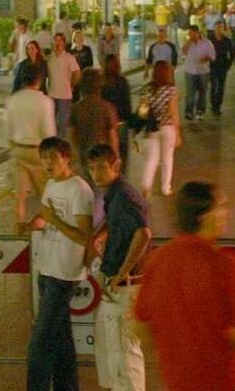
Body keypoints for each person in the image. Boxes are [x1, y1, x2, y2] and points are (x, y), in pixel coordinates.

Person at [135, 182, 235, 391]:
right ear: (205, 217)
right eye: (221, 207)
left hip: (177, 381)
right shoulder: (224, 266)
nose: (228, 214)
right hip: (221, 381)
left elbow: (141, 324)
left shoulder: (157, 260)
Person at [26, 137, 94, 391]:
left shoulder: (80, 190)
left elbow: (84, 236)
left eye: (52, 157)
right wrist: (33, 223)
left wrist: (53, 219)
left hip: (64, 273)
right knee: (61, 338)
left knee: (41, 339)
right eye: (43, 158)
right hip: (46, 267)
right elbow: (44, 217)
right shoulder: (52, 184)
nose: (47, 163)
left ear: (67, 158)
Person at [88, 144, 151, 391]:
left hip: (125, 285)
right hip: (117, 282)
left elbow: (143, 233)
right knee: (113, 351)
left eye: (101, 168)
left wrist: (122, 272)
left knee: (124, 354)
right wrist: (102, 234)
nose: (96, 174)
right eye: (92, 169)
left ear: (116, 165)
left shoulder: (124, 195)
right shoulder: (114, 193)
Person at [6, 65, 57, 234]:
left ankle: (18, 229)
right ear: (40, 80)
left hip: (18, 150)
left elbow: (7, 129)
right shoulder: (45, 102)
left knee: (20, 195)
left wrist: (12, 147)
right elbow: (49, 132)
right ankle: (45, 228)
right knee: (46, 194)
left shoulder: (12, 100)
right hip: (38, 152)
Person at [137, 60, 181, 197]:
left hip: (152, 127)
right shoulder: (171, 90)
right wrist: (178, 132)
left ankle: (146, 186)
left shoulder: (147, 90)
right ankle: (165, 188)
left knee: (152, 159)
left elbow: (142, 112)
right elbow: (173, 112)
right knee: (167, 158)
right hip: (168, 128)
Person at [70, 68, 121, 176]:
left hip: (84, 156)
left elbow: (71, 136)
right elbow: (113, 138)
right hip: (103, 158)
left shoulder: (75, 108)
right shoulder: (107, 108)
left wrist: (75, 157)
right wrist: (116, 158)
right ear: (100, 86)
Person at [48, 32, 83, 142]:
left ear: (64, 43)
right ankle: (52, 142)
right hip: (52, 94)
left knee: (63, 123)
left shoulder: (69, 58)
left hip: (65, 95)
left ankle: (61, 143)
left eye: (60, 40)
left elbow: (77, 73)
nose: (57, 43)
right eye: (55, 40)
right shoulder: (49, 58)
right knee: (51, 122)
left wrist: (72, 85)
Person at [101, 55, 133, 167]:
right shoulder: (122, 82)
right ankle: (120, 172)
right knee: (122, 151)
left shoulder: (102, 83)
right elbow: (127, 104)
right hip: (121, 122)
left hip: (106, 124)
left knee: (107, 152)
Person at [181, 25, 215, 121]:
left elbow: (212, 57)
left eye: (191, 33)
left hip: (203, 72)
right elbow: (183, 52)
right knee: (190, 93)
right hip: (190, 71)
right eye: (189, 33)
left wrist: (205, 59)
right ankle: (189, 111)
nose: (190, 35)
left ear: (197, 33)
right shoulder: (188, 43)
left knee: (202, 92)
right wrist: (188, 43)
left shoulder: (207, 43)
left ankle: (200, 111)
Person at [208, 21, 235, 116]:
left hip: (222, 66)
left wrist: (229, 63)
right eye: (217, 28)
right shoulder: (210, 40)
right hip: (212, 66)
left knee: (221, 87)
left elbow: (233, 52)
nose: (219, 30)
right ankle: (213, 105)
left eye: (221, 28)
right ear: (214, 29)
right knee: (214, 86)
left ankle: (218, 105)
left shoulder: (227, 40)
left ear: (223, 29)